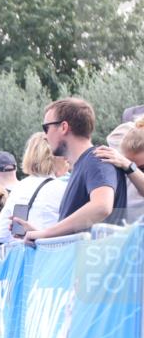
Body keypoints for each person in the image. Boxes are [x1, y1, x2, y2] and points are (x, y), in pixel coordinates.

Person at [16, 98, 127, 242]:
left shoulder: (96, 159)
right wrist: (42, 234)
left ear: (63, 127)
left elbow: (101, 206)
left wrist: (46, 233)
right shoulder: (87, 163)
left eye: (46, 128)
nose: (45, 135)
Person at [0, 132, 68, 244]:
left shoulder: (19, 188)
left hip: (27, 257)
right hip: (55, 256)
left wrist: (20, 237)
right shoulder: (63, 189)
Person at [95, 117, 144, 224]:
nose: (137, 172)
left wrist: (129, 166)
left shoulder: (129, 166)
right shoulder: (124, 140)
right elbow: (113, 137)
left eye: (142, 168)